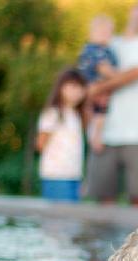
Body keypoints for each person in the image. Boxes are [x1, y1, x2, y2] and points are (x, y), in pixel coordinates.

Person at [86, 0, 138, 206]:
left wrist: (97, 88)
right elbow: (86, 76)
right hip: (104, 135)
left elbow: (131, 75)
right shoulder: (109, 43)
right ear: (134, 10)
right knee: (102, 204)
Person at [36, 68, 87, 202]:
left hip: (73, 176)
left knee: (71, 218)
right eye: (73, 86)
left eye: (81, 87)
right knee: (58, 219)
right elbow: (41, 143)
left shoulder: (76, 115)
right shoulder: (53, 113)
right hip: (56, 175)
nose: (77, 91)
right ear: (61, 88)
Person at [77, 15, 119, 155]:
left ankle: (96, 136)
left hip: (101, 90)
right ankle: (93, 137)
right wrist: (120, 77)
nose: (105, 36)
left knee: (100, 114)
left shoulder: (107, 50)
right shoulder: (93, 50)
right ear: (91, 33)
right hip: (92, 87)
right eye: (101, 32)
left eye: (108, 33)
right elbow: (104, 69)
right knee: (92, 111)